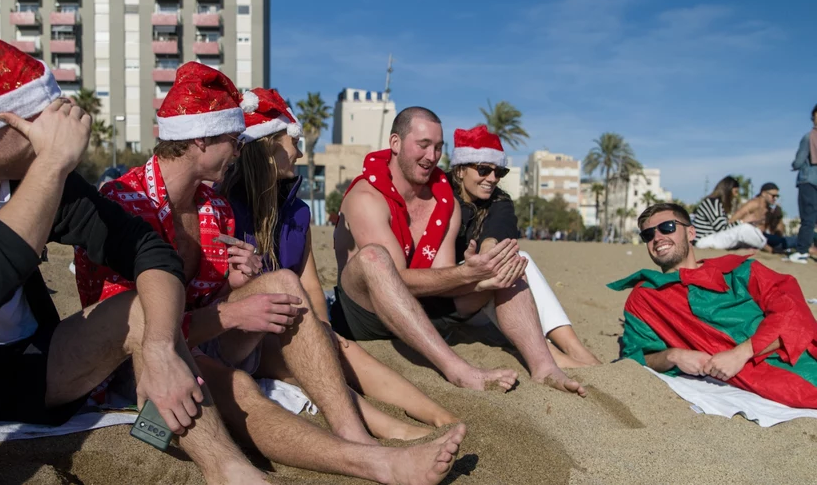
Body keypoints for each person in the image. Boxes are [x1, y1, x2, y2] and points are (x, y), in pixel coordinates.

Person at [0, 28, 268, 485]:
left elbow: (150, 251)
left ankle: (231, 471)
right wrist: (50, 165)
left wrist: (161, 346)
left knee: (141, 308)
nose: (59, 124)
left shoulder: (30, 173)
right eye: (42, 115)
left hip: (31, 369)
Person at [75, 70, 465, 485]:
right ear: (201, 139)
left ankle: (357, 437)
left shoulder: (212, 207)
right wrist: (233, 314)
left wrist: (233, 287)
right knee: (236, 385)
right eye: (232, 140)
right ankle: (374, 464)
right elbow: (133, 325)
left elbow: (209, 302)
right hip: (142, 357)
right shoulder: (124, 202)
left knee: (283, 284)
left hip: (199, 337)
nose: (239, 151)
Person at [220, 88, 459, 440]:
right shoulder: (224, 205)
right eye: (293, 143)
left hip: (285, 322)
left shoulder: (296, 212)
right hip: (241, 334)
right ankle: (390, 428)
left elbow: (312, 285)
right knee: (315, 365)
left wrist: (323, 329)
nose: (300, 152)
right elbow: (214, 290)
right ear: (269, 146)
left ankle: (438, 414)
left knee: (339, 348)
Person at [331, 107, 586, 396]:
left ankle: (544, 367)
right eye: (423, 145)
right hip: (366, 315)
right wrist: (466, 274)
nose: (431, 156)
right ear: (395, 143)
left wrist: (479, 277)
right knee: (374, 258)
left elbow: (440, 280)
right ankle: (458, 370)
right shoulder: (367, 197)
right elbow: (396, 278)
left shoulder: (443, 201)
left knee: (506, 265)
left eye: (438, 147)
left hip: (425, 311)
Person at [608, 202, 817, 409]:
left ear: (690, 233)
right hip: (768, 381)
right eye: (648, 235)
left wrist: (741, 353)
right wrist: (673, 356)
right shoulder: (645, 298)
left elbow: (792, 310)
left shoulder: (739, 269)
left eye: (667, 227)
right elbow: (634, 359)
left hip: (794, 354)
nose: (658, 238)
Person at [449, 125, 600, 368]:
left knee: (518, 257)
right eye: (483, 170)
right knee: (504, 261)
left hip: (481, 301)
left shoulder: (499, 200)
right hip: (446, 299)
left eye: (499, 172)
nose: (492, 178)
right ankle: (554, 355)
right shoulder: (439, 194)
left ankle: (575, 349)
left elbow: (499, 229)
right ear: (459, 170)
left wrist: (488, 247)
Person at [690, 176, 766, 250]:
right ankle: (766, 247)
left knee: (748, 229)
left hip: (712, 237)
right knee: (744, 229)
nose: (736, 195)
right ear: (728, 190)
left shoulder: (718, 203)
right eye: (735, 192)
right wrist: (743, 221)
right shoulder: (712, 202)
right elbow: (722, 228)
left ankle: (765, 244)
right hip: (703, 241)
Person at [789, 104, 817, 262]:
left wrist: (794, 165)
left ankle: (802, 251)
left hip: (808, 181)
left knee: (808, 217)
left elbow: (798, 161)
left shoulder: (809, 137)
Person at [730, 183, 790, 254]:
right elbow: (732, 221)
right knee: (787, 242)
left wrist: (778, 217)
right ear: (764, 194)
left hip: (763, 238)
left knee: (789, 241)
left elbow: (778, 234)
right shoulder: (752, 204)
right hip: (748, 238)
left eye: (777, 196)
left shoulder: (770, 210)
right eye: (773, 196)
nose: (775, 198)